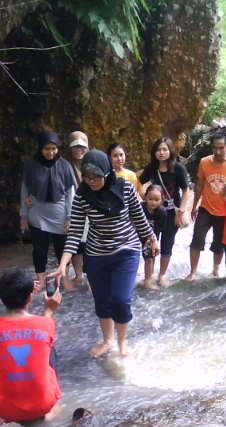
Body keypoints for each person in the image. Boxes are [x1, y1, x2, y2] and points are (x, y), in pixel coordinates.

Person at [57, 150, 159, 358]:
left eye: (96, 176)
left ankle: (123, 342)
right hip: (96, 254)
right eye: (87, 177)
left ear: (107, 172)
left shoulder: (126, 188)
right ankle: (107, 340)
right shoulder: (82, 195)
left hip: (126, 250)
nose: (92, 181)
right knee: (102, 300)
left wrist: (152, 238)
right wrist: (63, 265)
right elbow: (75, 231)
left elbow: (139, 217)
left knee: (120, 300)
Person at [0, 268, 63, 423]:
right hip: (43, 406)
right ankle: (53, 408)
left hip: (3, 410)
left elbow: (13, 333)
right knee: (48, 348)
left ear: (1, 297)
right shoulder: (46, 323)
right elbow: (38, 335)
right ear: (30, 297)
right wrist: (49, 310)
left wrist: (28, 292)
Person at [20, 131, 75, 289]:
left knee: (62, 248)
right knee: (39, 249)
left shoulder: (65, 165)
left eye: (54, 148)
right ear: (40, 148)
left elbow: (70, 193)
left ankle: (64, 278)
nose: (50, 152)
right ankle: (41, 281)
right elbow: (25, 190)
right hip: (37, 213)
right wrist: (23, 215)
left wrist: (70, 216)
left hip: (60, 213)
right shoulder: (31, 165)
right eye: (47, 149)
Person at [186, 131, 226, 281]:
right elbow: (199, 185)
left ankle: (216, 269)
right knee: (197, 238)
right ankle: (193, 271)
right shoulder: (205, 162)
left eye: (221, 148)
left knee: (220, 242)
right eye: (214, 148)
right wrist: (194, 206)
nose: (217, 152)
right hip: (206, 207)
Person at [139, 137, 193, 287]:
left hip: (171, 214)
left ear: (170, 151)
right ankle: (148, 276)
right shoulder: (151, 168)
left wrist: (182, 211)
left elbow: (186, 190)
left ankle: (162, 274)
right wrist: (146, 198)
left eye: (164, 149)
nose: (161, 153)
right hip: (154, 213)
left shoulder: (178, 168)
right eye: (158, 150)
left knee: (167, 244)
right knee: (150, 243)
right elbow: (139, 182)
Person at [65, 131, 90, 290]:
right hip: (73, 210)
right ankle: (78, 274)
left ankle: (90, 274)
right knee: (76, 246)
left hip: (92, 209)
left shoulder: (92, 162)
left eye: (82, 147)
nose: (79, 150)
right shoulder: (65, 165)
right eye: (75, 147)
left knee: (90, 243)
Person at [141, 185, 168, 289]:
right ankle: (148, 279)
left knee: (151, 256)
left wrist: (152, 240)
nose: (153, 202)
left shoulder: (162, 212)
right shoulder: (140, 208)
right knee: (148, 258)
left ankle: (149, 278)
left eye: (156, 200)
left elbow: (159, 229)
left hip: (153, 237)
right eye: (150, 199)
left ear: (161, 200)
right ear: (145, 197)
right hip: (138, 235)